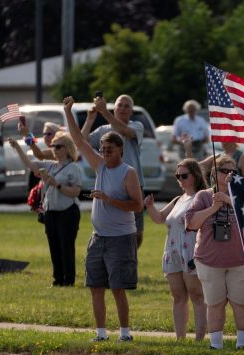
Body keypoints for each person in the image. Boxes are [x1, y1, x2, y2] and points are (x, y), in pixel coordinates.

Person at [63, 96, 143, 342]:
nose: (105, 153)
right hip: (98, 238)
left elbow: (137, 205)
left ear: (120, 150)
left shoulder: (127, 172)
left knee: (117, 289)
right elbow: (78, 141)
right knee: (95, 287)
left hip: (121, 238)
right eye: (103, 149)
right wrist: (68, 112)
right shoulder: (100, 166)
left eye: (110, 150)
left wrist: (109, 200)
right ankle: (100, 334)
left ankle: (125, 334)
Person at [185, 155, 244, 350]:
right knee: (215, 304)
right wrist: (213, 207)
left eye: (234, 171)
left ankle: (243, 344)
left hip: (239, 260)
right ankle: (216, 345)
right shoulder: (204, 196)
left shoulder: (243, 195)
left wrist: (229, 201)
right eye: (225, 171)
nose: (230, 174)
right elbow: (191, 223)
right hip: (209, 261)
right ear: (214, 174)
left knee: (241, 304)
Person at [144, 158, 208, 340]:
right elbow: (160, 218)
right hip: (172, 251)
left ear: (195, 176)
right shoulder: (178, 199)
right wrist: (149, 206)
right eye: (177, 176)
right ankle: (180, 338)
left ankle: (199, 338)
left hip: (191, 252)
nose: (180, 179)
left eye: (184, 175)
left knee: (197, 295)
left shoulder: (202, 197)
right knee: (178, 296)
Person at [8, 132, 82, 287]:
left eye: (58, 146)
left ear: (67, 148)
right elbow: (30, 164)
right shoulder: (50, 165)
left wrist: (57, 185)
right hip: (51, 211)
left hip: (68, 212)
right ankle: (57, 280)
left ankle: (68, 281)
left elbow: (75, 192)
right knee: (54, 246)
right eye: (53, 145)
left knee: (66, 247)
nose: (54, 148)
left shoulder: (73, 168)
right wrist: (17, 148)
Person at [82, 94, 146, 249]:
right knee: (112, 225)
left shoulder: (136, 126)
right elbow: (82, 142)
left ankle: (131, 258)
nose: (123, 108)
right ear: (115, 108)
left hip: (133, 183)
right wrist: (90, 119)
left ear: (131, 111)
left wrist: (104, 112)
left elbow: (124, 131)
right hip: (110, 183)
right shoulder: (104, 130)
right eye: (120, 105)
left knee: (137, 231)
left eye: (127, 106)